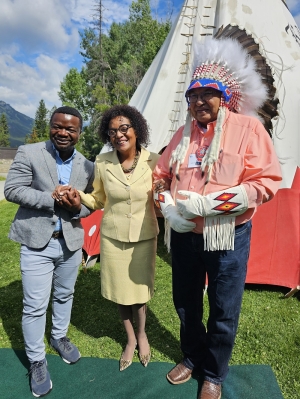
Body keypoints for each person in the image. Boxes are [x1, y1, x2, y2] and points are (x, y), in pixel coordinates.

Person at [153, 38, 282, 399]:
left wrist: (213, 205)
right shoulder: (182, 135)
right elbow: (160, 177)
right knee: (186, 302)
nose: (197, 102)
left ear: (223, 95)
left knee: (224, 307)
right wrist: (167, 208)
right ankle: (193, 357)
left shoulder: (248, 130)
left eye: (206, 93)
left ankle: (214, 372)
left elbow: (266, 181)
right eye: (192, 96)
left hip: (227, 235)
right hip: (184, 235)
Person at [55, 105, 160, 372]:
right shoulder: (103, 162)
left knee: (139, 292)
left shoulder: (155, 161)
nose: (119, 135)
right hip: (112, 237)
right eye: (112, 131)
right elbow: (99, 199)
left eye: (124, 128)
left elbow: (162, 198)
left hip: (143, 237)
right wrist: (79, 196)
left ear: (137, 129)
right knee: (119, 293)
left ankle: (143, 334)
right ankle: (129, 339)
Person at [4, 106, 94, 397]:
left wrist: (74, 206)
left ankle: (58, 337)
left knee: (65, 295)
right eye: (58, 126)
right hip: (36, 243)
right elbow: (12, 189)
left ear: (80, 133)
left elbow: (89, 205)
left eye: (70, 129)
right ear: (50, 126)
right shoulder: (29, 152)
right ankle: (36, 360)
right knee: (34, 306)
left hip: (70, 243)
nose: (63, 133)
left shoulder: (88, 166)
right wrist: (51, 198)